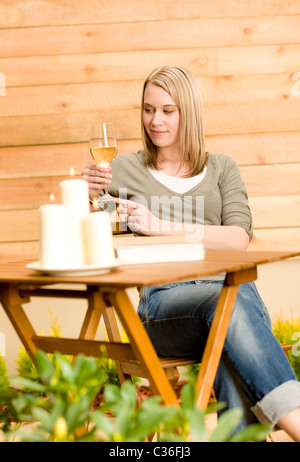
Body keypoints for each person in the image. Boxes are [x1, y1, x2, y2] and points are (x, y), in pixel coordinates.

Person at [82, 65, 300, 440]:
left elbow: (237, 240)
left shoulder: (222, 168)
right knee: (228, 307)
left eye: (168, 110)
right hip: (164, 309)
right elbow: (100, 237)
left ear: (189, 112)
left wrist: (160, 226)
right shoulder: (124, 168)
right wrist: (90, 199)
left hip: (234, 300)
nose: (155, 120)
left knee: (229, 315)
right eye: (149, 110)